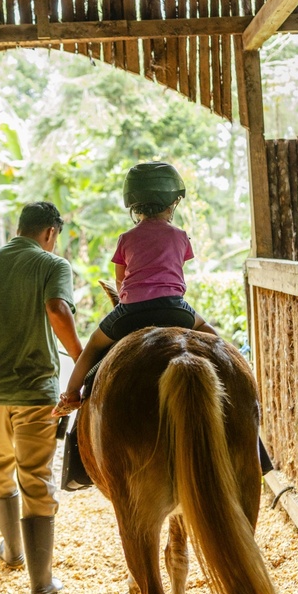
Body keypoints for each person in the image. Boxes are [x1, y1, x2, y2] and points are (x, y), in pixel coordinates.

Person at [0, 201, 82, 594]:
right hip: (33, 390)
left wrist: (1, 329)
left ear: (20, 228)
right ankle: (41, 582)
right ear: (50, 233)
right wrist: (82, 358)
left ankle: (11, 552)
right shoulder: (52, 265)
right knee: (35, 477)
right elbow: (57, 309)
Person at [53, 162, 215, 417]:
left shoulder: (126, 238)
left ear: (134, 207)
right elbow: (177, 271)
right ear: (172, 204)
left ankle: (71, 395)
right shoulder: (180, 236)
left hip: (132, 311)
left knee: (93, 345)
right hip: (174, 309)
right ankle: (242, 372)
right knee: (211, 334)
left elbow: (120, 281)